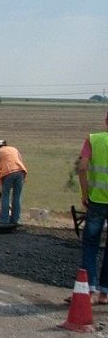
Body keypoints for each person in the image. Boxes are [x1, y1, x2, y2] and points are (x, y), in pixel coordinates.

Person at [72, 111, 108, 305]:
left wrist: (85, 195)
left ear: (106, 121)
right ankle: (105, 294)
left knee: (90, 244)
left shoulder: (93, 140)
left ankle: (88, 291)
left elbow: (83, 168)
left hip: (96, 201)